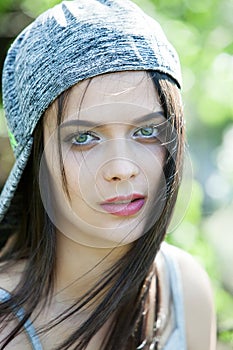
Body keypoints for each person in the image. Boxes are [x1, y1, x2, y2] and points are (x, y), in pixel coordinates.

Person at [0, 0, 216, 349]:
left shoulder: (183, 290)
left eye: (147, 132)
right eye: (83, 138)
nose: (121, 168)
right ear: (36, 159)